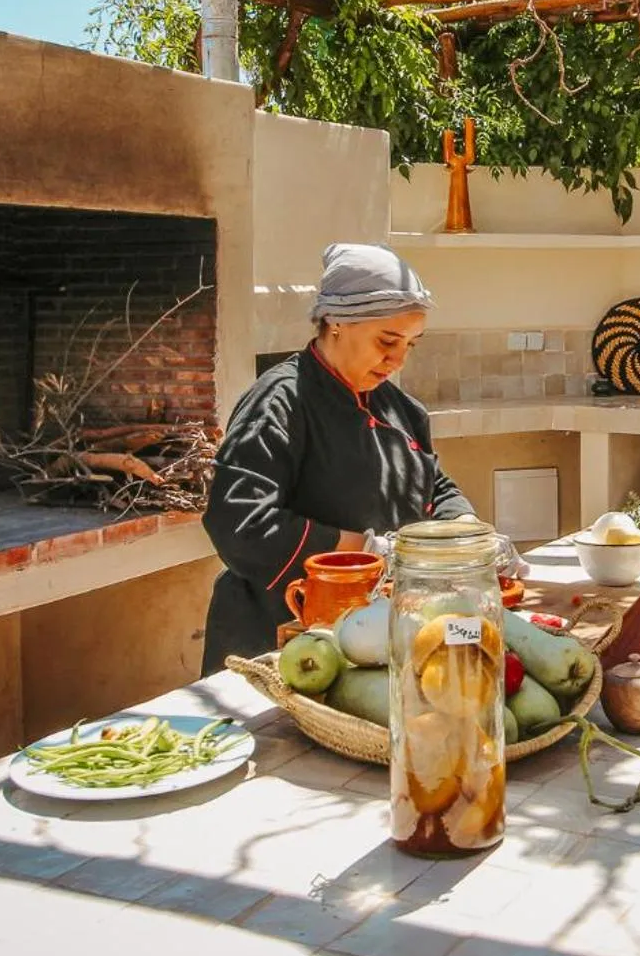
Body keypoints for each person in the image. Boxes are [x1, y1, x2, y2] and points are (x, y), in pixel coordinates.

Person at [200, 243, 474, 669]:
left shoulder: (400, 409)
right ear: (337, 323)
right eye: (387, 340)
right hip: (279, 643)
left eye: (411, 344)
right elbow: (238, 521)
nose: (398, 360)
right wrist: (360, 550)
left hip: (370, 639)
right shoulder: (280, 401)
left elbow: (432, 485)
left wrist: (469, 534)